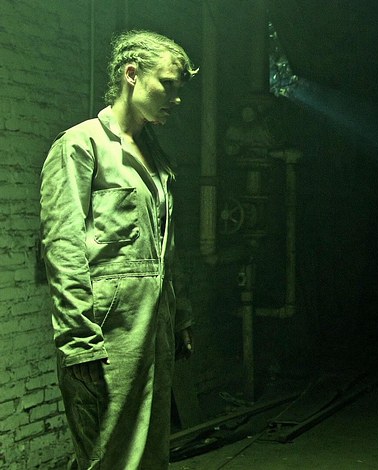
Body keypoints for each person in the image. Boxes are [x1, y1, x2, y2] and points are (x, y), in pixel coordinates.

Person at [39, 29, 198, 469]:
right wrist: (80, 342)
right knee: (106, 457)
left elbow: (167, 248)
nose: (176, 98)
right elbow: (62, 248)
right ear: (132, 75)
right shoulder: (80, 145)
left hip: (154, 331)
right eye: (167, 84)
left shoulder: (156, 155)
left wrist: (180, 315)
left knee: (150, 457)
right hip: (108, 338)